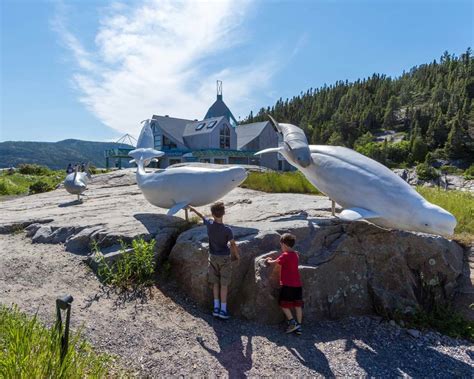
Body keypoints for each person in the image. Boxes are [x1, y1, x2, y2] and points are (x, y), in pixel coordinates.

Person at [188, 202, 239, 320]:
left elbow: (202, 216)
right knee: (224, 284)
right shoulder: (227, 230)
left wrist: (193, 209)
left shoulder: (209, 225)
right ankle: (223, 310)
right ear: (224, 213)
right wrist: (236, 255)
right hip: (225, 258)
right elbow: (232, 244)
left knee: (215, 282)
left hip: (213, 257)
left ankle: (216, 308)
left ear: (212, 214)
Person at [266, 233, 303, 335]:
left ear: (285, 245)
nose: (281, 247)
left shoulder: (285, 255)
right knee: (297, 305)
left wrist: (268, 260)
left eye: (281, 245)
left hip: (288, 285)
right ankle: (299, 326)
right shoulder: (295, 254)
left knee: (283, 304)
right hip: (297, 285)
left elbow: (275, 262)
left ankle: (292, 322)